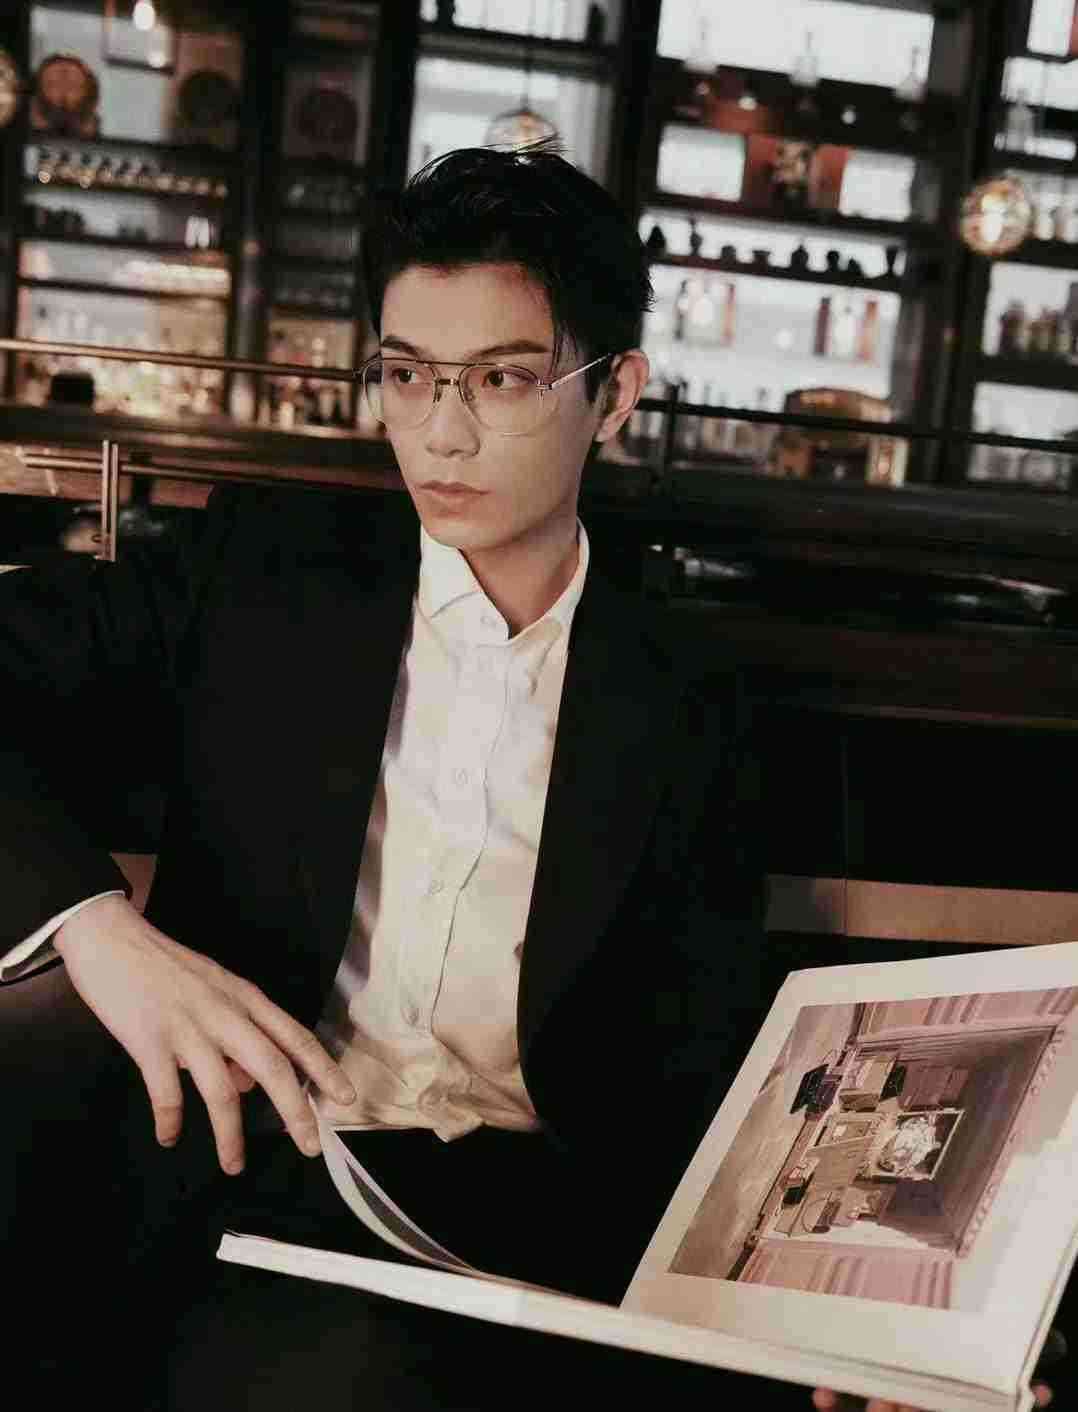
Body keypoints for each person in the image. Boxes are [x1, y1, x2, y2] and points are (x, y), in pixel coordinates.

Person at [0, 143, 1057, 1412]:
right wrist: (98, 929)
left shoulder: (686, 690)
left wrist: (851, 1318)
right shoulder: (260, 571)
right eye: (406, 373)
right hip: (263, 1185)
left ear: (614, 394)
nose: (440, 431)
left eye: (502, 378)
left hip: (551, 1236)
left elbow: (704, 1052)